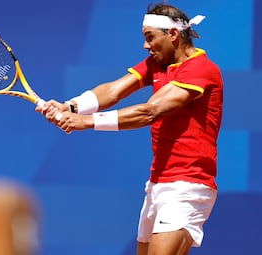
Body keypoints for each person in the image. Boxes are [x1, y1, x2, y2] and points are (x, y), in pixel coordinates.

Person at [37, 3, 223, 255]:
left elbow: (150, 111)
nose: (146, 46)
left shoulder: (201, 70)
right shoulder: (157, 64)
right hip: (157, 184)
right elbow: (113, 90)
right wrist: (70, 107)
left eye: (150, 38)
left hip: (188, 186)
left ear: (173, 35)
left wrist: (88, 122)